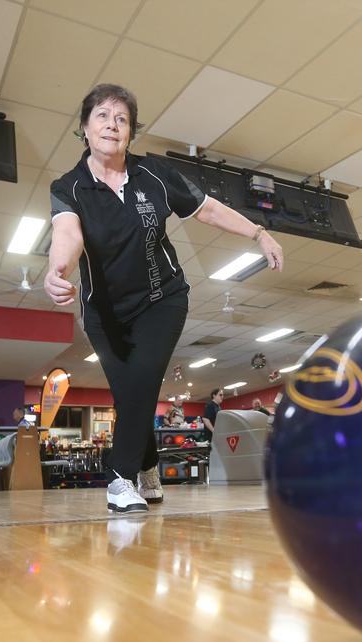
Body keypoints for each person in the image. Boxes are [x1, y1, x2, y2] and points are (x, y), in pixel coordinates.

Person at [44, 83, 283, 512]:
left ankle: (121, 480)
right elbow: (67, 232)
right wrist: (56, 270)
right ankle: (149, 467)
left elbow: (206, 207)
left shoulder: (153, 174)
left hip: (162, 299)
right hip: (105, 314)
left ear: (131, 132)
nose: (112, 126)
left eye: (122, 119)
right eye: (102, 116)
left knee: (143, 379)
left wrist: (258, 233)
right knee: (129, 393)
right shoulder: (69, 187)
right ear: (84, 127)